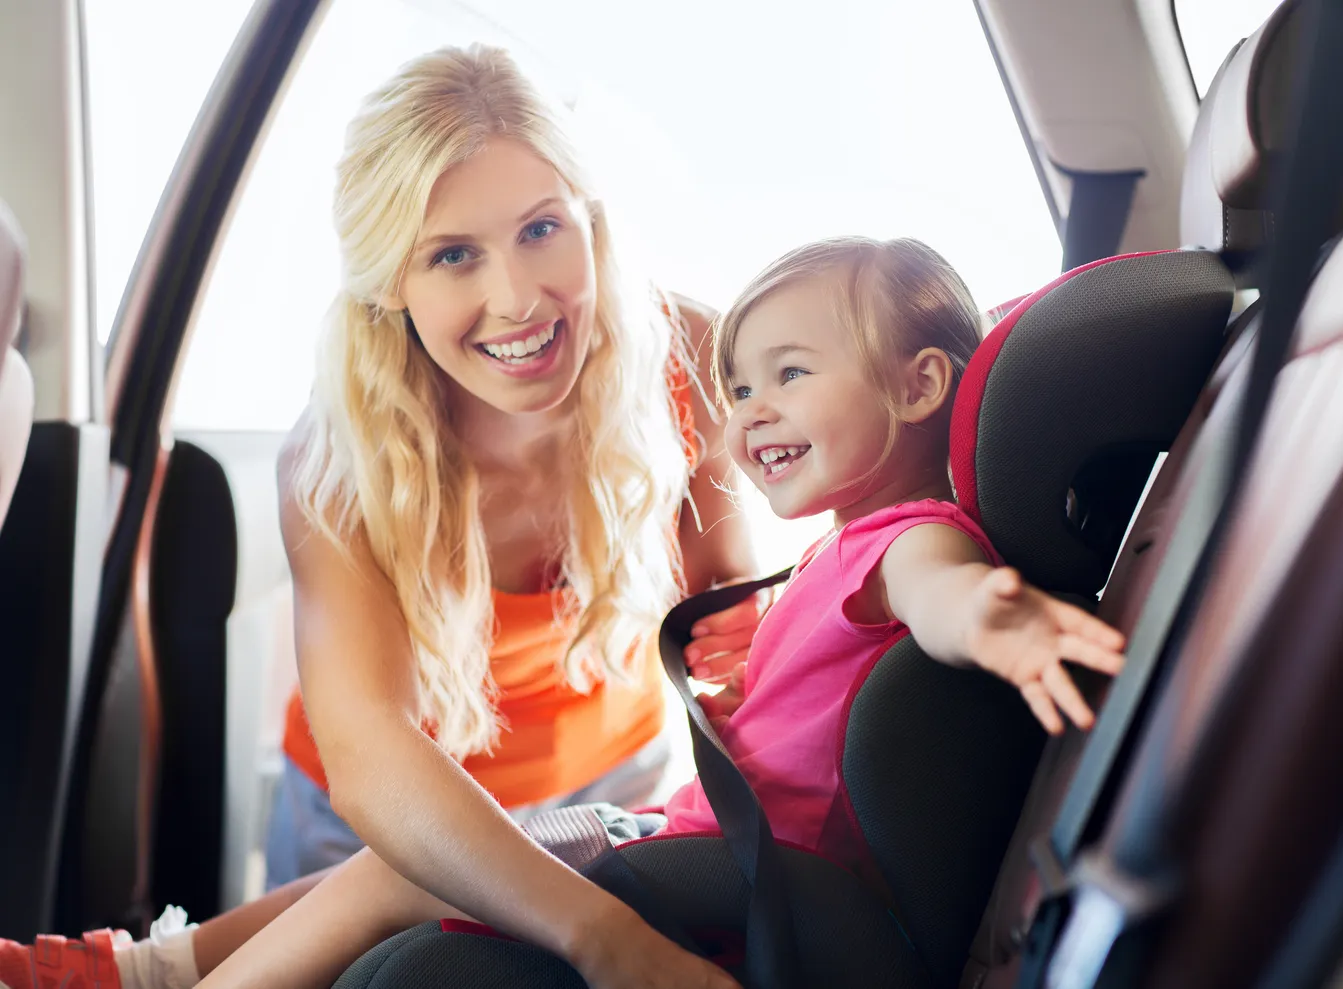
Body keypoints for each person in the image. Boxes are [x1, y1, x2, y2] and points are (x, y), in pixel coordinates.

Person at [0, 43, 763, 989]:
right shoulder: (335, 460)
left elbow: (724, 603)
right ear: (388, 285)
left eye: (540, 229)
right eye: (452, 255)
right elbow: (374, 760)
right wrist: (610, 938)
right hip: (380, 822)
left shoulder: (686, 350)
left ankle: (133, 971)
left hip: (613, 778)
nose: (518, 297)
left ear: (589, 218)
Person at [188, 234, 1126, 989]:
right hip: (706, 851)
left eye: (790, 374)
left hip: (728, 872)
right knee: (419, 876)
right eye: (742, 388)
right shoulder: (841, 550)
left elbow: (939, 585)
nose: (749, 414)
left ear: (920, 386)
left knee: (409, 867)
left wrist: (988, 617)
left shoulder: (906, 539)